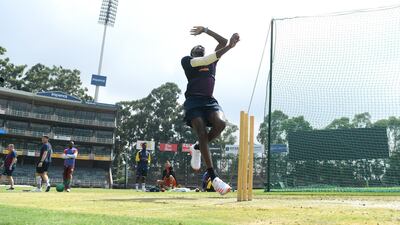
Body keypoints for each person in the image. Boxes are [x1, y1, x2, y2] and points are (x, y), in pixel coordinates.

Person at [181, 26, 240, 195]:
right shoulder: (187, 61)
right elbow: (211, 55)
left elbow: (221, 42)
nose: (199, 47)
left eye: (202, 47)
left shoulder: (212, 60)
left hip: (209, 101)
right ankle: (213, 177)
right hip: (193, 102)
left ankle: (198, 148)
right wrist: (229, 47)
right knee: (200, 129)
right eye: (196, 47)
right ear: (192, 53)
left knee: (221, 123)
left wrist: (206, 30)